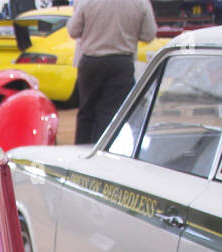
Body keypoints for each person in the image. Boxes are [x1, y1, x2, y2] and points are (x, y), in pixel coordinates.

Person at [67, 0, 156, 144]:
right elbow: (149, 34)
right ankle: (103, 150)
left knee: (86, 111)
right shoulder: (140, 2)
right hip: (121, 63)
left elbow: (73, 30)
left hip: (92, 61)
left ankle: (82, 151)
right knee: (110, 113)